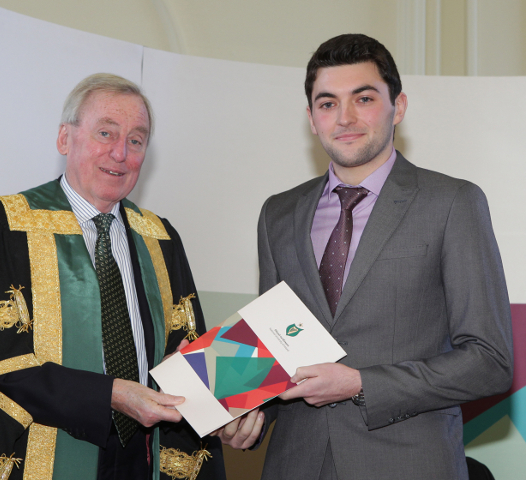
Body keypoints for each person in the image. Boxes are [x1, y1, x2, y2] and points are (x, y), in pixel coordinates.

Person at [220, 34, 514, 479]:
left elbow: (490, 363)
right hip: (295, 466)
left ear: (398, 107)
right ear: (311, 118)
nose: (345, 118)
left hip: (408, 464)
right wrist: (237, 411)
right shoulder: (277, 214)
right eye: (327, 103)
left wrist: (361, 384)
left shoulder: (453, 202)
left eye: (363, 98)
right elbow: (274, 350)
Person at [0, 73, 225, 480]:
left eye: (136, 141)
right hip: (40, 455)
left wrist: (229, 398)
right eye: (106, 132)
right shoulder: (1, 227)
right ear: (65, 138)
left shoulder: (161, 238)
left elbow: (185, 352)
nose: (120, 153)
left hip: (142, 455)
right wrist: (111, 395)